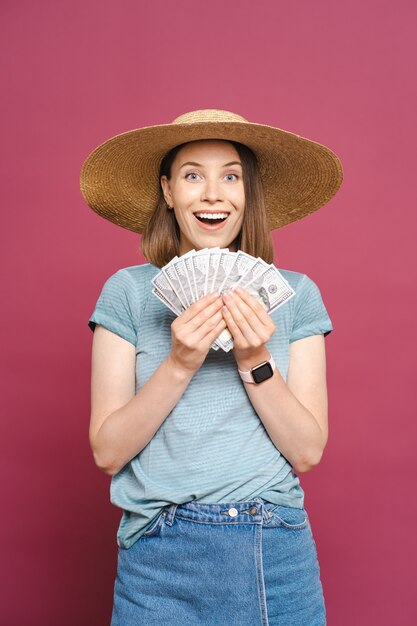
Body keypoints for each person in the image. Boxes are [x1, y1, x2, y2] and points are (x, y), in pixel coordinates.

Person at [80, 109, 343, 626]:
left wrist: (255, 360)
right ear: (168, 191)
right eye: (192, 175)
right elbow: (108, 453)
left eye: (231, 176)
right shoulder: (129, 292)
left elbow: (307, 451)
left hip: (271, 545)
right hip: (157, 554)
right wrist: (180, 362)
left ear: (249, 194)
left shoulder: (297, 296)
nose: (212, 194)